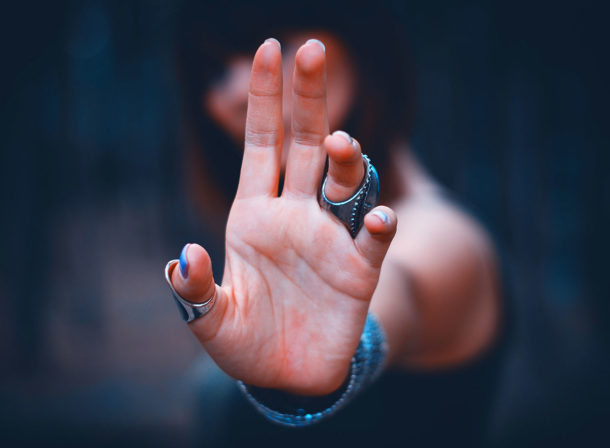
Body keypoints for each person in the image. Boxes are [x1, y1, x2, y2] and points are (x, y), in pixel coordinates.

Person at [168, 1, 504, 446]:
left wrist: (347, 350)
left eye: (270, 43)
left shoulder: (445, 238)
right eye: (213, 72)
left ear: (357, 36)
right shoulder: (285, 243)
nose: (233, 93)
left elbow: (401, 288)